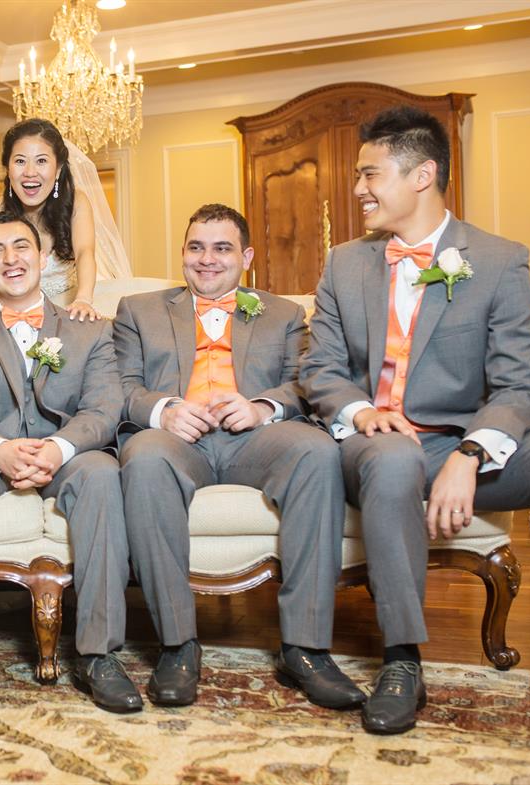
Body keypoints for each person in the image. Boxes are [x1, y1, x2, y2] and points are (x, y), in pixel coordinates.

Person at [301, 105, 530, 734]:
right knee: (393, 456)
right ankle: (402, 658)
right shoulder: (344, 263)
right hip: (372, 447)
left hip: (458, 444)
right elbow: (319, 367)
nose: (358, 189)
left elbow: (521, 384)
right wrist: (362, 411)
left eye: (370, 174)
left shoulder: (499, 259)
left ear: (422, 175)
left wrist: (471, 453)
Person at [113, 203, 362, 712]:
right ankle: (178, 645)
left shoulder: (285, 313)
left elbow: (306, 383)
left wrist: (262, 407)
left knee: (316, 451)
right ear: (183, 253)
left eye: (222, 248)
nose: (207, 259)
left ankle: (306, 649)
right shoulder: (137, 310)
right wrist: (163, 411)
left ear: (246, 257)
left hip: (254, 439)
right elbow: (118, 385)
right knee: (144, 458)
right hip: (175, 440)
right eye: (196, 247)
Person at [0, 211, 139, 716]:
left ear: (43, 259)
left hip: (66, 454)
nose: (11, 259)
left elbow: (103, 409)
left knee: (102, 473)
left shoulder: (89, 329)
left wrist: (59, 448)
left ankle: (99, 654)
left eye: (21, 247)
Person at [0, 118, 130, 331]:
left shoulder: (77, 203)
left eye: (41, 161)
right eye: (20, 161)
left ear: (58, 169)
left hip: (69, 309)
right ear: (7, 168)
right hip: (13, 313)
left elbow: (85, 252)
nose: (30, 172)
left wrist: (83, 300)